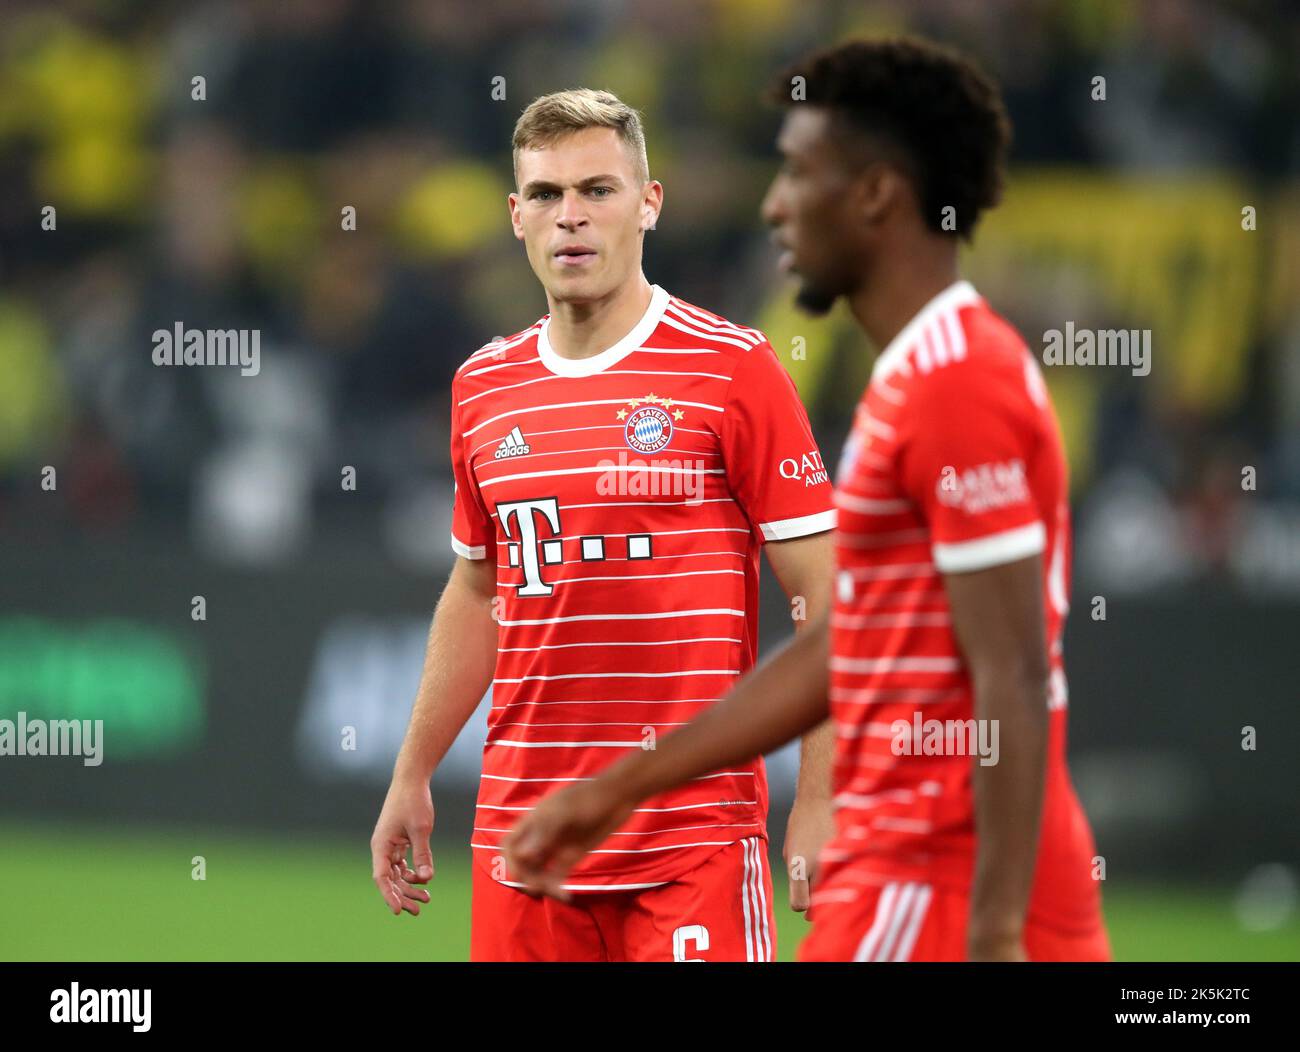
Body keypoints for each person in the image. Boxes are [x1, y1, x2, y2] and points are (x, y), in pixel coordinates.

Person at [503, 40, 1111, 963]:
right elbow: (846, 642)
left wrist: (991, 932)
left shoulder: (958, 385)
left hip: (936, 861)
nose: (774, 203)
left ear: (872, 195)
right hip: (901, 855)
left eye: (796, 172)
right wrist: (625, 786)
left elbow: (1015, 675)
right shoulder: (907, 380)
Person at [369, 88, 836, 961]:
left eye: (599, 190)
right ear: (516, 217)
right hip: (526, 844)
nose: (571, 217)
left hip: (690, 840)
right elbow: (478, 591)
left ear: (649, 203)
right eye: (546, 195)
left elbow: (829, 598)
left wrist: (820, 798)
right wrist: (412, 770)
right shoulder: (483, 387)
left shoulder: (731, 370)